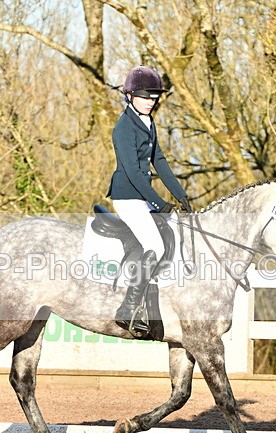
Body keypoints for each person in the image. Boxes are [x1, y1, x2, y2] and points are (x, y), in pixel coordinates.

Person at [107, 65, 192, 336]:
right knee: (154, 243)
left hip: (142, 195)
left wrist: (180, 194)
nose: (150, 102)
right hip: (128, 196)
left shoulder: (148, 122)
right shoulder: (124, 127)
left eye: (154, 97)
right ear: (130, 95)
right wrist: (157, 201)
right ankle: (128, 308)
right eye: (145, 97)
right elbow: (132, 171)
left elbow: (160, 161)